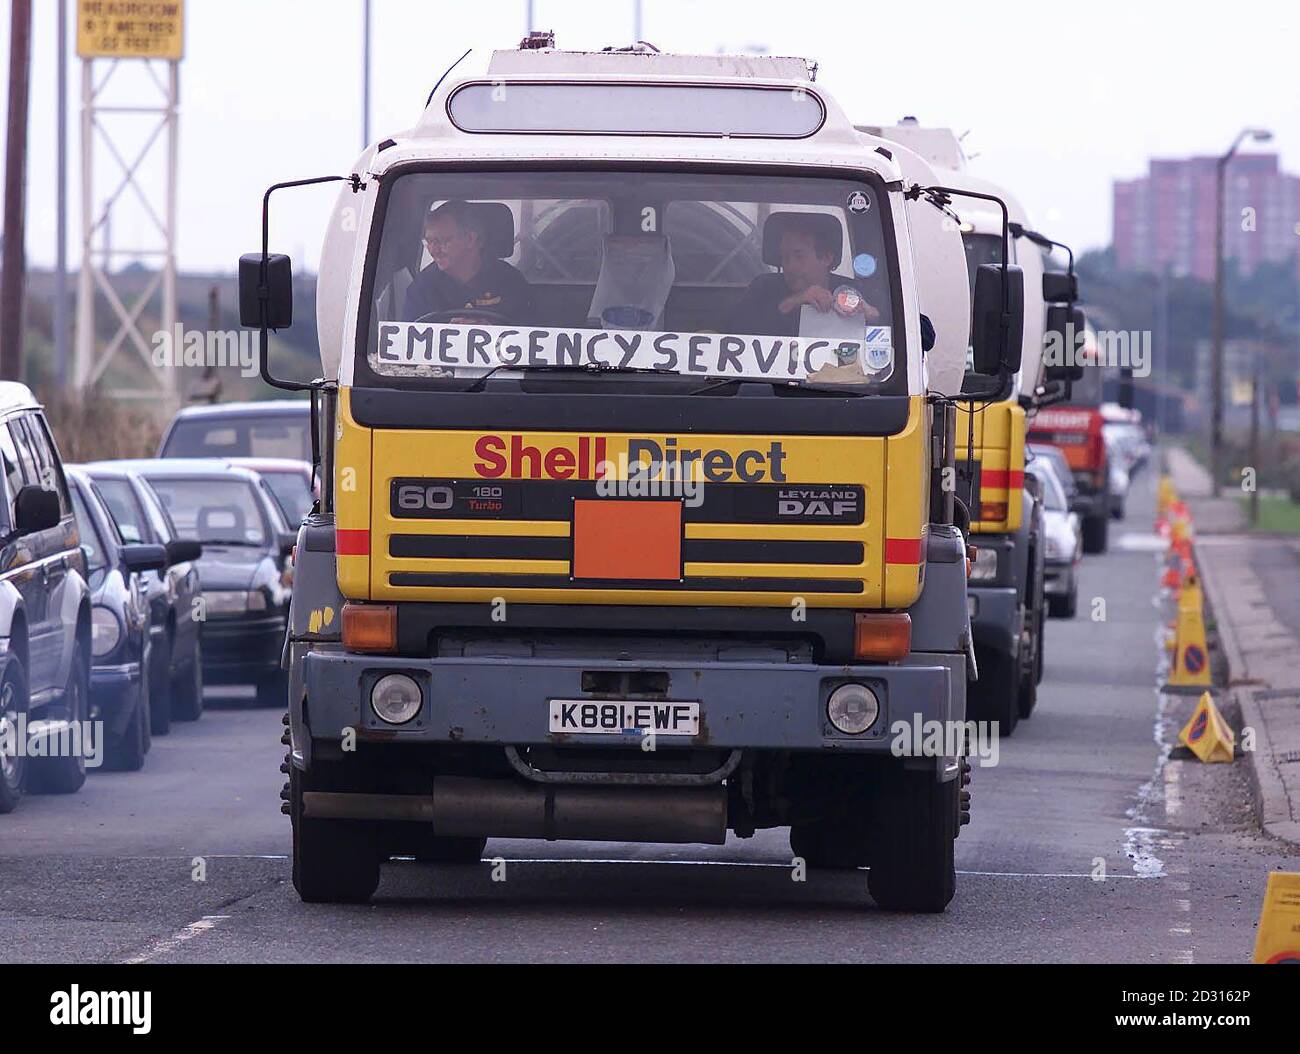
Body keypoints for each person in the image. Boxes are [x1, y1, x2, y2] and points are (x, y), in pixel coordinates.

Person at [726, 215, 882, 337]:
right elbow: (735, 330)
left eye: (799, 256)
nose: (789, 266)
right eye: (784, 257)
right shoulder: (763, 287)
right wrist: (795, 302)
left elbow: (892, 331)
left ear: (827, 257)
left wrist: (870, 315)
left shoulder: (854, 292)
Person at [404, 200, 533, 322]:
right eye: (429, 242)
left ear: (470, 239)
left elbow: (529, 335)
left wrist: (492, 331)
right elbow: (408, 340)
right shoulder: (422, 287)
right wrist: (447, 334)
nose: (433, 250)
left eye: (442, 241)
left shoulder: (511, 282)